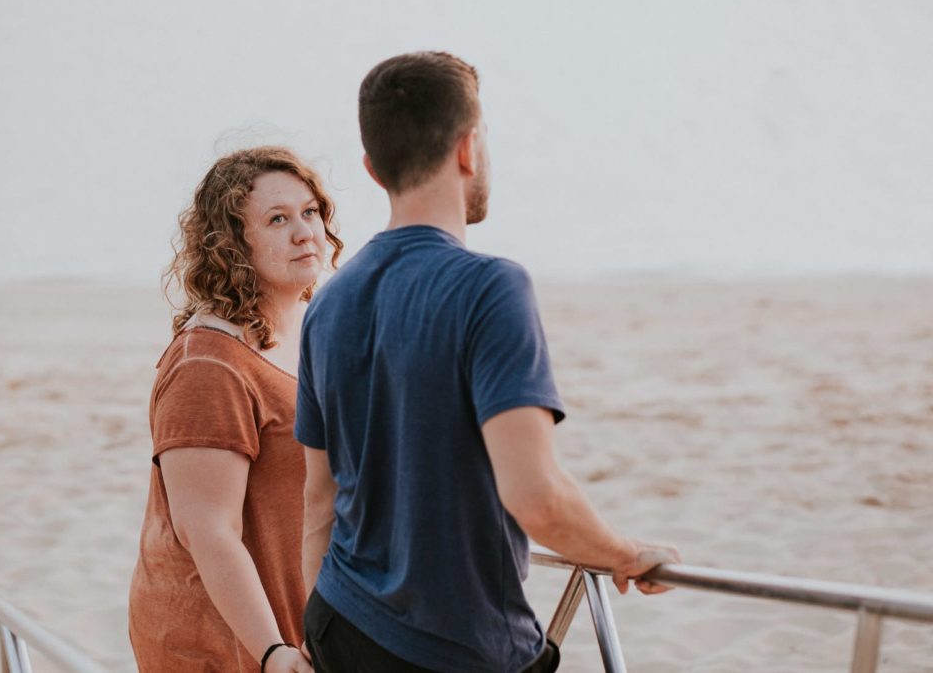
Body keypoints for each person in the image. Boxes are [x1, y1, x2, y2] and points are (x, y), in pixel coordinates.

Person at [296, 52, 681, 673]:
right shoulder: (490, 287)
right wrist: (623, 552)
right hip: (454, 648)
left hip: (338, 621)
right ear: (469, 148)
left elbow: (318, 499)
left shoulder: (329, 303)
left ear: (373, 169)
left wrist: (310, 639)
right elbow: (536, 496)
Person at [129, 146, 342, 673]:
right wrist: (274, 653)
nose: (303, 232)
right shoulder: (209, 365)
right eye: (277, 219)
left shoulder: (311, 335)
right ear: (231, 244)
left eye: (310, 212)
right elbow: (207, 529)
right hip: (227, 646)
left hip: (299, 624)